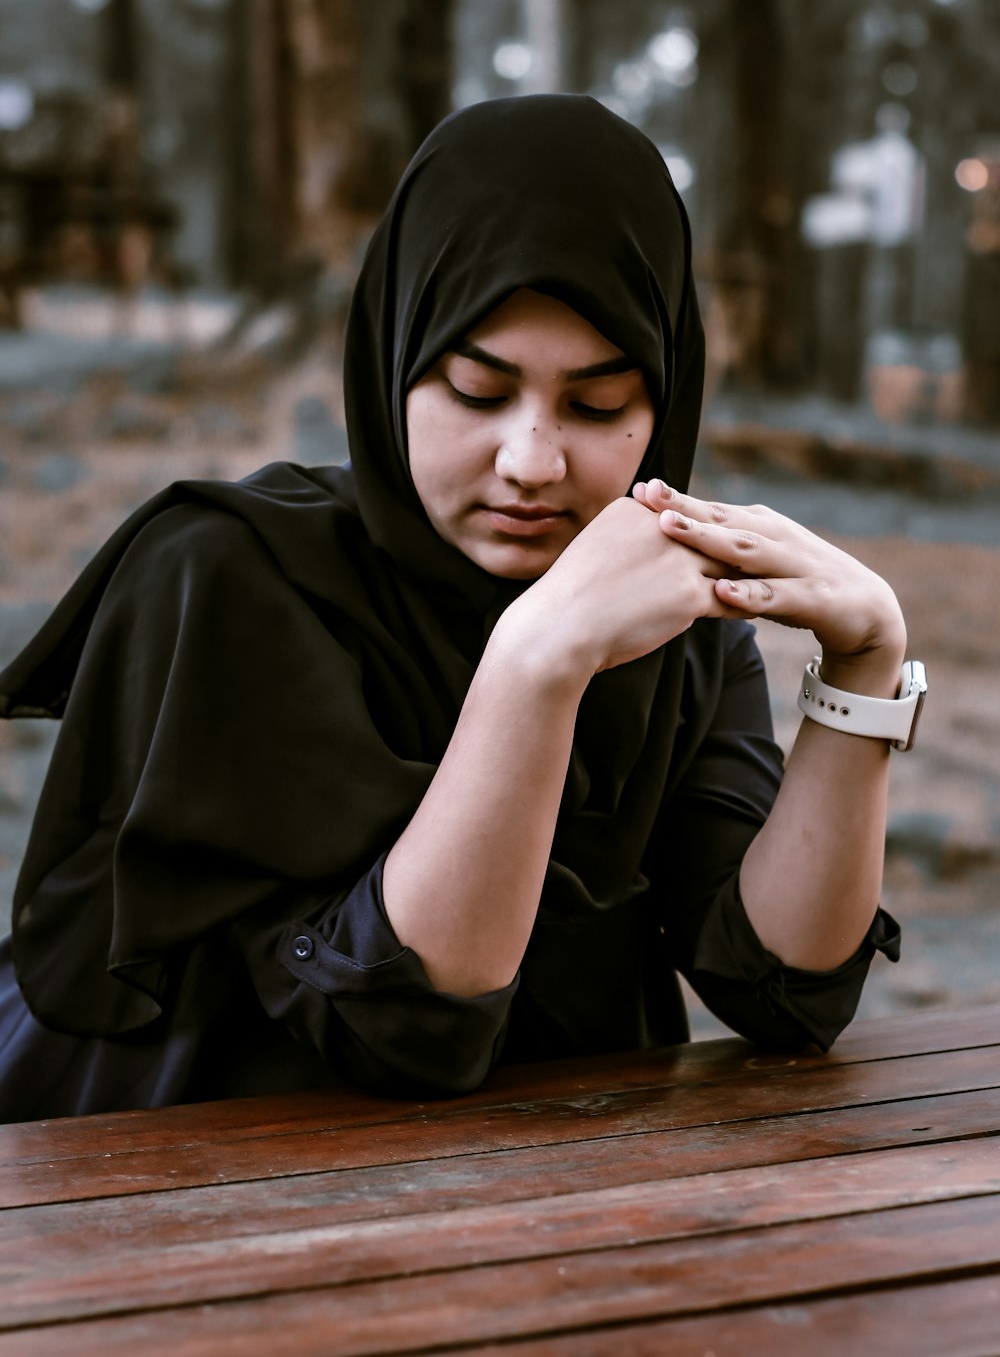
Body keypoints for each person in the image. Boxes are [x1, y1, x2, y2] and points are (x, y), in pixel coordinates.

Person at [0, 95, 910, 1123]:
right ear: (394, 364)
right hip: (187, 1208)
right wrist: (534, 665)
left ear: (664, 405)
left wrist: (864, 668)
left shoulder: (671, 626)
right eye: (478, 391)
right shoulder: (230, 578)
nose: (532, 462)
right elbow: (403, 1023)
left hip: (554, 1216)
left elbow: (782, 988)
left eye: (599, 405)